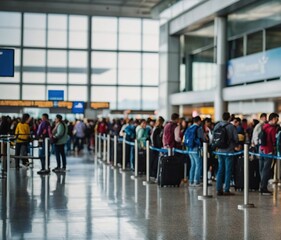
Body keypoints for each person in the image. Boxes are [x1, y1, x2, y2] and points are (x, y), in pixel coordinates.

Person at [214, 112, 238, 196]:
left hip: (220, 151)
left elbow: (214, 138)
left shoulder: (217, 125)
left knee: (220, 170)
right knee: (228, 171)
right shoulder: (231, 127)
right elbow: (236, 139)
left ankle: (218, 189)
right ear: (229, 118)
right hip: (229, 152)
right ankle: (226, 189)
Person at [259, 112, 279, 195]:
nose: (277, 121)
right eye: (277, 119)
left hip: (262, 149)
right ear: (273, 119)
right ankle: (263, 188)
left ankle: (261, 186)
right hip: (269, 150)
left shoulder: (264, 126)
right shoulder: (272, 128)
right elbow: (274, 141)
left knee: (262, 169)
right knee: (266, 170)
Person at [186, 116, 204, 187]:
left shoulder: (189, 128)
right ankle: (196, 181)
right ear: (199, 121)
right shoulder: (198, 128)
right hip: (196, 148)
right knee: (198, 164)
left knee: (193, 164)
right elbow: (201, 138)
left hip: (189, 148)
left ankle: (191, 181)